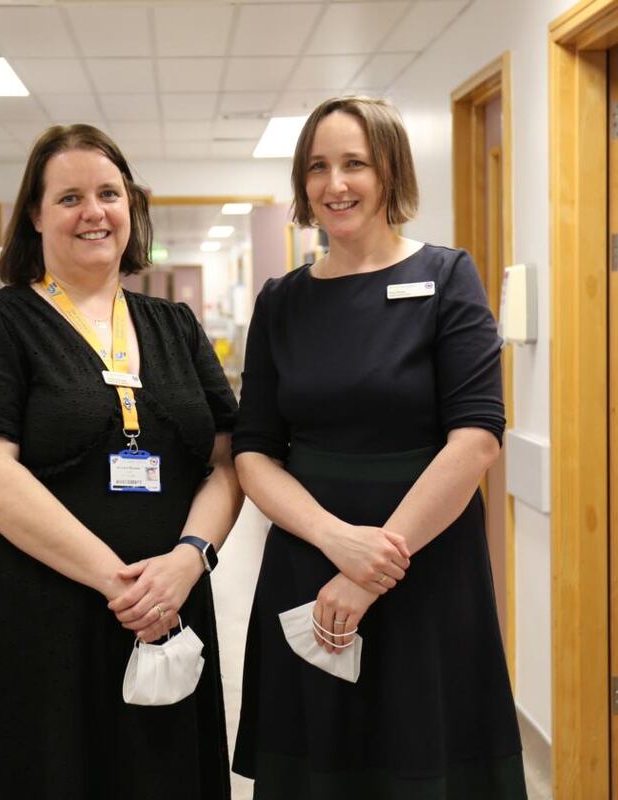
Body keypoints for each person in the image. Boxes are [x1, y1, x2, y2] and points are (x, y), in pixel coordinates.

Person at [0, 124, 243, 800]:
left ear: (131, 206)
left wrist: (190, 559)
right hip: (31, 614)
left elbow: (228, 460)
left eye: (109, 194)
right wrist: (123, 586)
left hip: (167, 603)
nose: (94, 212)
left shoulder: (175, 325)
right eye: (69, 198)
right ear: (35, 215)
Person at [231, 97, 527, 799]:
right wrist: (336, 541)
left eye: (354, 163)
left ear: (390, 170)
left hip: (426, 566)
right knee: (320, 767)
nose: (334, 184)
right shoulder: (281, 301)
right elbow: (253, 452)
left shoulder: (448, 278)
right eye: (317, 167)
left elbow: (476, 439)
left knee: (421, 758)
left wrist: (370, 570)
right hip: (309, 563)